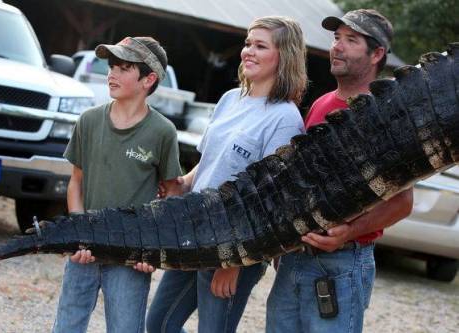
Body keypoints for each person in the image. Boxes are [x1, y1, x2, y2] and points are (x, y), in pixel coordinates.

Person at [146, 16, 308, 333]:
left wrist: (235, 261)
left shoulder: (285, 120)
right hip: (193, 234)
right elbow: (210, 163)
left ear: (284, 56)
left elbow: (269, 201)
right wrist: (182, 184)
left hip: (233, 248)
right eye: (248, 43)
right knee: (159, 325)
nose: (248, 51)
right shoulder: (230, 99)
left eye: (260, 46)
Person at [266, 9, 414, 333]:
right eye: (336, 38)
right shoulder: (321, 104)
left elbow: (402, 203)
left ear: (377, 54)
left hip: (344, 263)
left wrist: (347, 233)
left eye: (351, 40)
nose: (337, 47)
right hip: (294, 258)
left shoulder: (385, 113)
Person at [52, 36, 183, 333]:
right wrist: (79, 231)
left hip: (130, 256)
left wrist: (152, 246)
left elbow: (171, 193)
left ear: (148, 79)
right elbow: (76, 183)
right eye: (112, 66)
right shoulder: (88, 120)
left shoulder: (162, 132)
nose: (112, 74)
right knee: (66, 326)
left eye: (124, 68)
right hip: (84, 249)